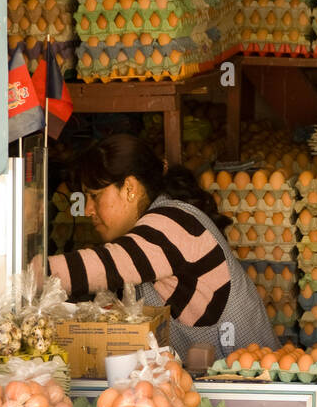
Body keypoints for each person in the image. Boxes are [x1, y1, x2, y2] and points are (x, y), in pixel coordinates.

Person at [45, 133, 275, 360]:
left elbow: (106, 266)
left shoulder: (172, 223)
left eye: (94, 196)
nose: (88, 210)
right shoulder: (151, 229)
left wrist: (33, 271)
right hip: (213, 375)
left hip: (253, 376)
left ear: (129, 188)